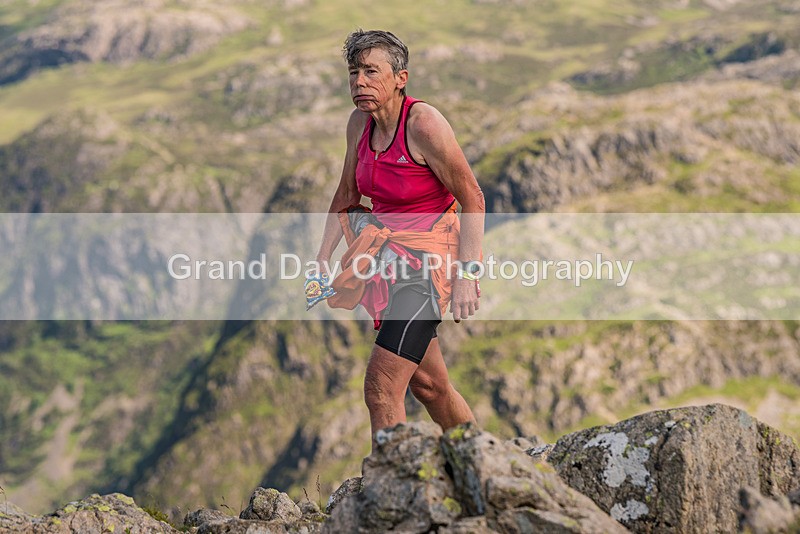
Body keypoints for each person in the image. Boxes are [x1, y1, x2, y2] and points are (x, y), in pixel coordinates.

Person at [314, 29, 485, 447]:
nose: (359, 82)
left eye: (371, 71)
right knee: (430, 387)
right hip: (387, 262)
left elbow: (473, 199)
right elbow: (347, 195)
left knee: (381, 386)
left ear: (400, 78)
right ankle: (483, 458)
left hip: (429, 266)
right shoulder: (359, 124)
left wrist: (467, 276)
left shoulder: (424, 124)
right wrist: (322, 259)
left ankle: (390, 495)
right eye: (354, 73)